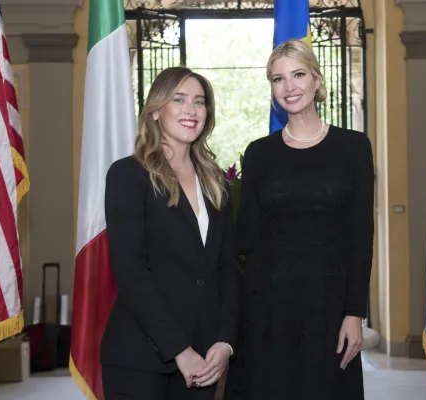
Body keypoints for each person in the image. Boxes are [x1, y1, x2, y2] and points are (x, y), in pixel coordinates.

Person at [224, 39, 375, 399]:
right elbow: (246, 238)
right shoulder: (259, 154)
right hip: (266, 312)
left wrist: (355, 313)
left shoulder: (354, 148)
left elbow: (360, 237)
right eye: (278, 79)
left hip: (329, 309)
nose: (289, 87)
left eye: (298, 75)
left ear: (317, 80)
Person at [100, 66, 239, 400]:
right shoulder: (128, 175)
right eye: (179, 99)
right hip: (140, 356)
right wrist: (179, 349)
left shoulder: (216, 182)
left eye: (199, 101)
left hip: (204, 357)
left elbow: (228, 267)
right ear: (156, 110)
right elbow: (131, 272)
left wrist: (225, 340)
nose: (191, 110)